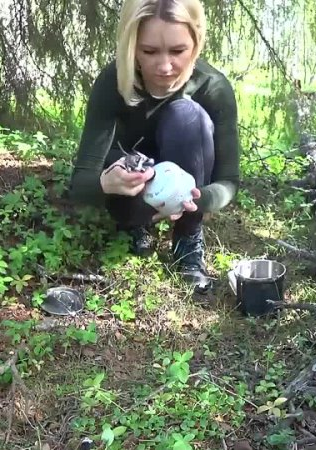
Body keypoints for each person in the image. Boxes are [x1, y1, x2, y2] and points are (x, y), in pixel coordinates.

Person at [68, 0, 240, 293]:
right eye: (149, 51)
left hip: (187, 187)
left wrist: (200, 201)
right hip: (131, 191)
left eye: (177, 51)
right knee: (129, 170)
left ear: (197, 43)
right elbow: (80, 183)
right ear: (131, 45)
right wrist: (107, 183)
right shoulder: (113, 82)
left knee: (188, 116)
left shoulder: (213, 87)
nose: (164, 66)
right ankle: (135, 226)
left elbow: (230, 181)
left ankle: (188, 239)